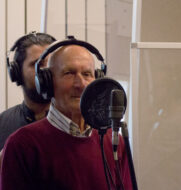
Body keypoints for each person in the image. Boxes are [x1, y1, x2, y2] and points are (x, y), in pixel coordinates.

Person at [0, 41, 132, 189]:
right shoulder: (21, 145)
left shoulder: (114, 142)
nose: (80, 84)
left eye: (87, 74)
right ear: (48, 83)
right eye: (69, 73)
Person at [0, 32, 56, 149]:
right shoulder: (3, 123)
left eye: (50, 64)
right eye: (38, 64)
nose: (45, 71)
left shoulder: (75, 123)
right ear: (17, 72)